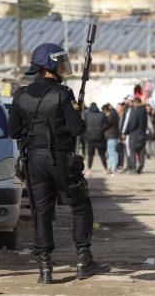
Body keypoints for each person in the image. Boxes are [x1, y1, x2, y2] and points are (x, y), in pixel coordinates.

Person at [8, 43, 97, 283]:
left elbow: (14, 130)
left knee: (42, 211)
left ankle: (45, 267)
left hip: (33, 161)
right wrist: (76, 111)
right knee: (79, 204)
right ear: (50, 65)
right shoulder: (63, 94)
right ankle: (83, 259)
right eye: (61, 62)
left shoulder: (20, 95)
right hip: (60, 159)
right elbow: (77, 128)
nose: (63, 67)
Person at [83, 102, 110, 175]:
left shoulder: (87, 115)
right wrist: (102, 129)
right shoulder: (102, 114)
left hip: (90, 137)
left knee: (90, 155)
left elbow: (83, 126)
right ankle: (106, 169)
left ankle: (89, 169)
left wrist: (86, 134)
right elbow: (108, 124)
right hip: (100, 137)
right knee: (102, 154)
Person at [122, 98, 148, 174]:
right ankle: (141, 167)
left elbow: (132, 123)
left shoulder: (135, 111)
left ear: (136, 103)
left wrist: (126, 132)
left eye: (133, 102)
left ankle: (133, 168)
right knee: (141, 152)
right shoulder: (144, 111)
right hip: (142, 134)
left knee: (132, 151)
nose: (132, 104)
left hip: (134, 134)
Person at [102, 103, 120, 176]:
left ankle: (112, 168)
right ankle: (111, 167)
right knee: (111, 152)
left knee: (112, 152)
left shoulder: (111, 115)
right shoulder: (114, 114)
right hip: (112, 135)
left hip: (111, 135)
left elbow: (107, 124)